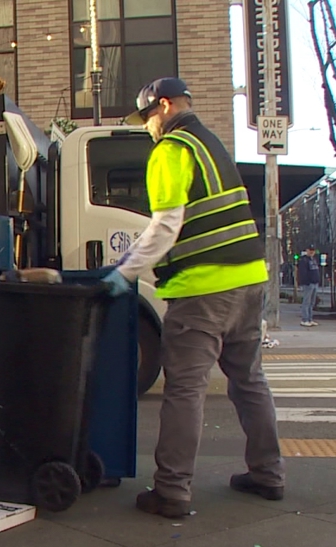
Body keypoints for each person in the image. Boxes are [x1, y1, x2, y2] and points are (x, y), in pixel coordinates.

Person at [102, 77, 285, 518]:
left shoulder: (172, 150)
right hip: (248, 281)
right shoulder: (212, 147)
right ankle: (268, 473)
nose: (147, 127)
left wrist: (123, 272)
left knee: (185, 389)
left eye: (146, 118)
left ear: (163, 107)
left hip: (203, 289)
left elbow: (165, 225)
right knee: (249, 381)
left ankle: (172, 491)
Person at [298, 245, 320, 327]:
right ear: (307, 250)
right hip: (308, 284)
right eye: (310, 250)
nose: (312, 252)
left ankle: (310, 319)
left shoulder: (314, 260)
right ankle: (305, 319)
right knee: (306, 302)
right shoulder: (304, 260)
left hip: (315, 283)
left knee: (311, 303)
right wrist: (306, 282)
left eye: (313, 250)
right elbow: (302, 273)